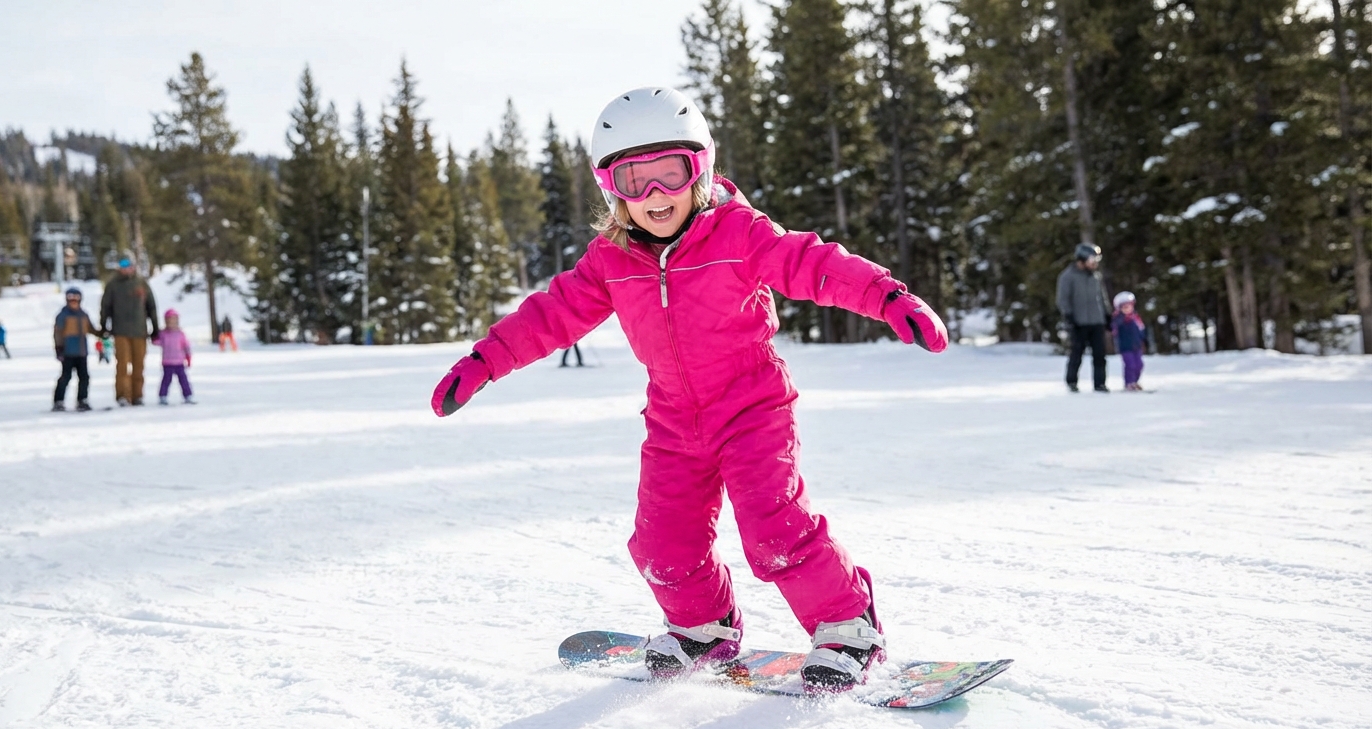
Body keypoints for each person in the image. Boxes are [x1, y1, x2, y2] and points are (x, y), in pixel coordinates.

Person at [430, 87, 949, 692]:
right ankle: (704, 624)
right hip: (673, 419)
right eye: (633, 179)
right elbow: (552, 314)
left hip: (753, 408)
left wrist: (887, 297)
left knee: (774, 528)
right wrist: (485, 361)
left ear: (699, 169)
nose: (655, 194)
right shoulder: (611, 259)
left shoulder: (739, 233)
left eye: (669, 173)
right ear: (610, 188)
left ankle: (847, 625)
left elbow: (811, 263)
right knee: (661, 542)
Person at [99, 257, 160, 406]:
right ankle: (123, 395)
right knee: (122, 365)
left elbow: (151, 306)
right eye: (123, 265)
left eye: (128, 265)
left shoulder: (141, 283)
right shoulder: (113, 285)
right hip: (120, 331)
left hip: (139, 331)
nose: (126, 268)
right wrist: (103, 326)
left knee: (139, 366)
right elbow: (105, 306)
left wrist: (155, 328)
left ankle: (137, 395)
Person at [1056, 243, 1110, 393]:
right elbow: (1063, 299)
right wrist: (1069, 316)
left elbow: (1102, 297)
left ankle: (1100, 383)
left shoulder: (1095, 276)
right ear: (1082, 259)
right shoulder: (1068, 276)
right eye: (1092, 260)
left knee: (1100, 355)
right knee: (1076, 354)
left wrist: (1107, 314)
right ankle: (1072, 381)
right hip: (1079, 323)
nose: (1095, 263)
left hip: (1097, 321)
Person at [53, 287, 103, 411]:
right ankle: (58, 400)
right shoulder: (63, 315)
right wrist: (59, 348)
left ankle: (82, 399)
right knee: (66, 377)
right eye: (71, 298)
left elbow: (90, 329)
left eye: (76, 298)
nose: (74, 301)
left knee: (84, 377)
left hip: (81, 352)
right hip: (68, 352)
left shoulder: (83, 315)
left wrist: (102, 333)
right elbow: (58, 333)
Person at [154, 309, 196, 405]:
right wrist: (154, 337)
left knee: (183, 380)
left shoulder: (180, 334)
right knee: (166, 380)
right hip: (167, 362)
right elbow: (157, 342)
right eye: (169, 321)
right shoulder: (163, 334)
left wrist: (188, 357)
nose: (172, 323)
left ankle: (188, 395)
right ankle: (163, 396)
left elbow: (186, 346)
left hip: (179, 362)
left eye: (174, 321)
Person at [1110, 291, 1148, 391]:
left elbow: (1141, 330)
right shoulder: (1118, 319)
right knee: (1130, 365)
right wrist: (1121, 318)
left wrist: (1143, 340)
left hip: (1136, 346)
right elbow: (1114, 329)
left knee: (1139, 365)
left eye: (1129, 306)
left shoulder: (1136, 318)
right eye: (1124, 307)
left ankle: (1135, 381)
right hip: (1125, 347)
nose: (1127, 309)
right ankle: (1129, 383)